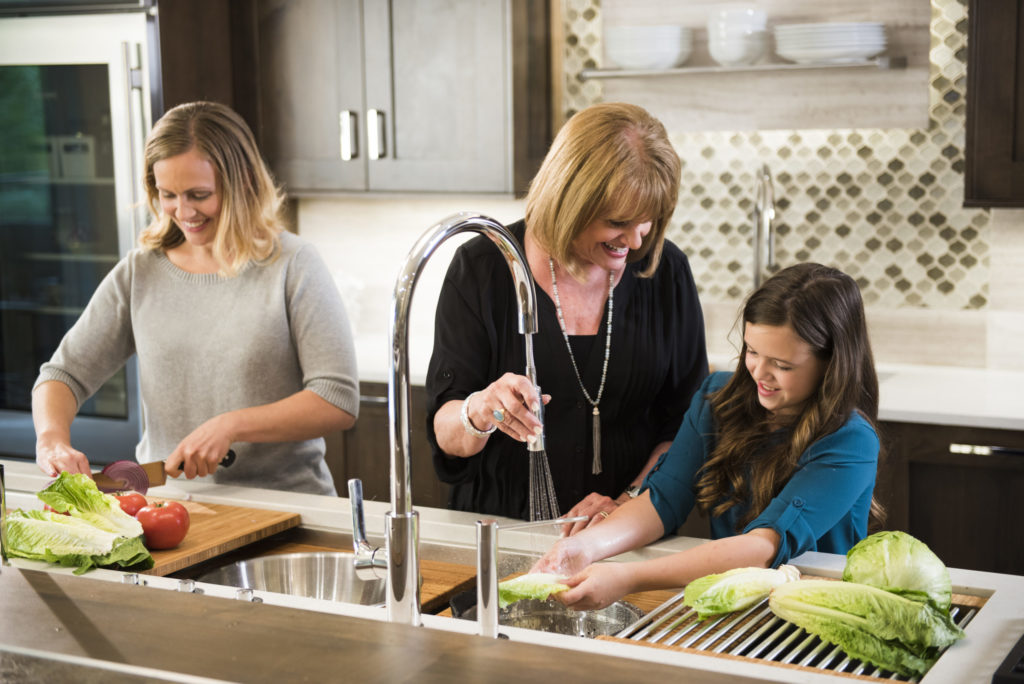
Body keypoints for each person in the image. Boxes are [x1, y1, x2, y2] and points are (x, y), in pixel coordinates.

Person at [32, 101, 359, 495]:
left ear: (243, 184)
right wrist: (51, 438)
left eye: (199, 194)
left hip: (286, 508)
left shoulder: (293, 265)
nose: (182, 211)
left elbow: (337, 399)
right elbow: (64, 375)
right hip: (168, 507)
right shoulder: (141, 271)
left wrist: (231, 425)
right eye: (167, 194)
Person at [531, 262, 884, 609]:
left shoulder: (851, 440)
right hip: (733, 603)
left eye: (782, 364)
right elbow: (661, 501)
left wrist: (628, 577)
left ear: (832, 362)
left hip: (819, 611)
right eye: (753, 351)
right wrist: (585, 548)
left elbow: (762, 547)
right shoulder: (719, 400)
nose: (760, 372)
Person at [425, 102, 708, 526]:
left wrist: (629, 502)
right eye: (617, 221)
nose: (633, 241)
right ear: (568, 200)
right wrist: (481, 410)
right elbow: (447, 434)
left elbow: (688, 428)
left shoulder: (664, 273)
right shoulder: (484, 267)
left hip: (626, 541)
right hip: (502, 534)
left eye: (647, 222)